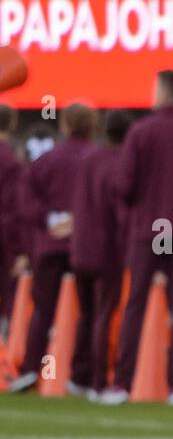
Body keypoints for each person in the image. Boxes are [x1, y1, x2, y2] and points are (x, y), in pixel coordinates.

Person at [102, 70, 173, 406]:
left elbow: (124, 184)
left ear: (162, 90)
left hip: (147, 229)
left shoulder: (140, 131)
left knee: (135, 305)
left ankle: (122, 384)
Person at [9, 103, 96, 394]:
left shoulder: (48, 160)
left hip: (50, 245)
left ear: (64, 125)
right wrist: (80, 222)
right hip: (87, 245)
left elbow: (25, 198)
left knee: (43, 309)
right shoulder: (97, 158)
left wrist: (50, 218)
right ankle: (82, 375)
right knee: (89, 310)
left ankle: (31, 368)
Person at [69, 109, 131, 399]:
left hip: (81, 246)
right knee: (105, 315)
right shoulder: (118, 163)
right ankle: (99, 381)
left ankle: (79, 376)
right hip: (107, 249)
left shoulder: (88, 159)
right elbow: (119, 210)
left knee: (87, 314)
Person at [0, 104, 25, 336]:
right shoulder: (11, 160)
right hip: (6, 234)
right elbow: (17, 205)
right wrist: (21, 249)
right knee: (9, 292)